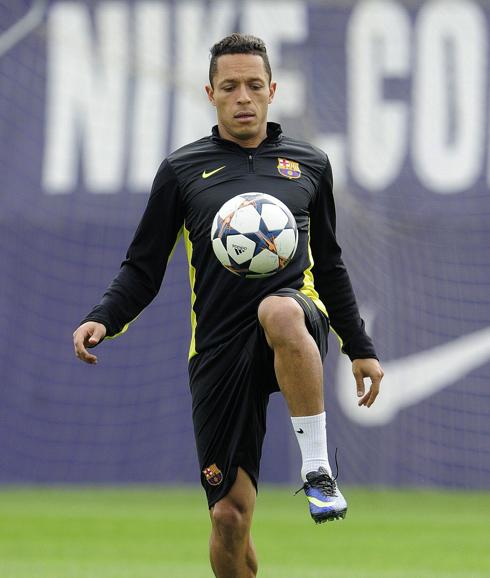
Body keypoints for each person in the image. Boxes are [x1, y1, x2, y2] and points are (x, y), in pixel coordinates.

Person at [73, 33, 384, 578]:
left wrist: (359, 348)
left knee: (280, 311)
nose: (244, 97)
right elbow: (143, 267)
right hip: (218, 347)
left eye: (254, 86)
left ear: (273, 92)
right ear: (210, 93)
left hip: (296, 323)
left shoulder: (309, 165)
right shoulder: (182, 171)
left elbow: (330, 265)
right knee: (229, 518)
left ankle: (317, 471)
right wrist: (103, 316)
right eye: (231, 86)